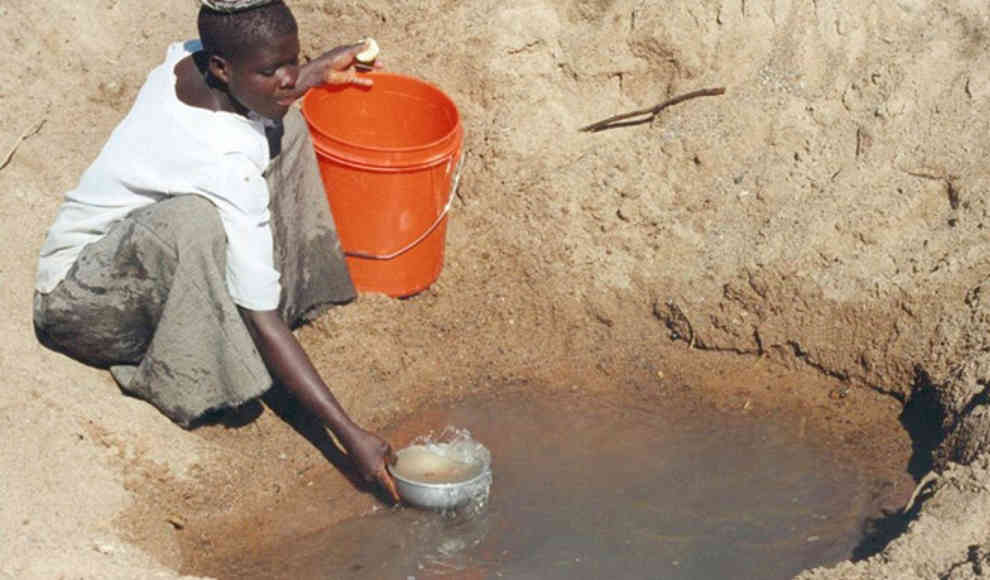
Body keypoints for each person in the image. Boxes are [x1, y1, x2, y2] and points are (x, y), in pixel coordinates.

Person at [32, 0, 399, 502]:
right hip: (82, 303)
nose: (289, 77)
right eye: (272, 70)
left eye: (293, 60)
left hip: (134, 261)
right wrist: (349, 434)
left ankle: (295, 294)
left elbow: (271, 84)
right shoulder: (223, 161)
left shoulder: (186, 62)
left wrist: (312, 71)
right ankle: (188, 378)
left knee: (283, 120)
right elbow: (262, 318)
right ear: (222, 68)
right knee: (194, 222)